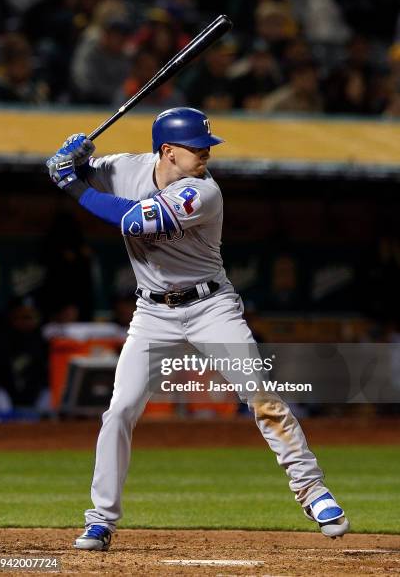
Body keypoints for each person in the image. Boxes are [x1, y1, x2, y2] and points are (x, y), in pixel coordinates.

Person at [45, 107, 349, 551]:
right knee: (120, 411)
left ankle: (313, 490)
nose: (207, 151)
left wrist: (70, 183)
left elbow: (132, 219)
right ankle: (101, 520)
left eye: (207, 145)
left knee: (260, 394)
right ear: (167, 151)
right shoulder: (125, 168)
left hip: (211, 306)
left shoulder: (204, 192)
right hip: (152, 314)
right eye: (197, 146)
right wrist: (69, 161)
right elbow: (77, 171)